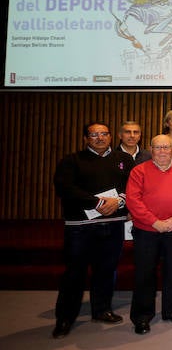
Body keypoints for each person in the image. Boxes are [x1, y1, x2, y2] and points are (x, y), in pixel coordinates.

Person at [51, 122, 135, 339]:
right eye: (94, 134)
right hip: (80, 227)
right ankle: (65, 318)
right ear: (86, 138)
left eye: (104, 134)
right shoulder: (72, 161)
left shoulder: (123, 160)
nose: (100, 138)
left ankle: (101, 310)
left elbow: (133, 187)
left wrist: (118, 201)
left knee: (107, 270)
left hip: (113, 224)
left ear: (110, 136)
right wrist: (97, 203)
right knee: (74, 273)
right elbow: (65, 188)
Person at [127, 134, 172, 334]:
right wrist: (154, 222)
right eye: (158, 148)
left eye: (166, 147)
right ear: (151, 150)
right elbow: (133, 200)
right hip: (147, 231)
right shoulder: (138, 171)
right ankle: (142, 316)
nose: (163, 151)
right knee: (144, 274)